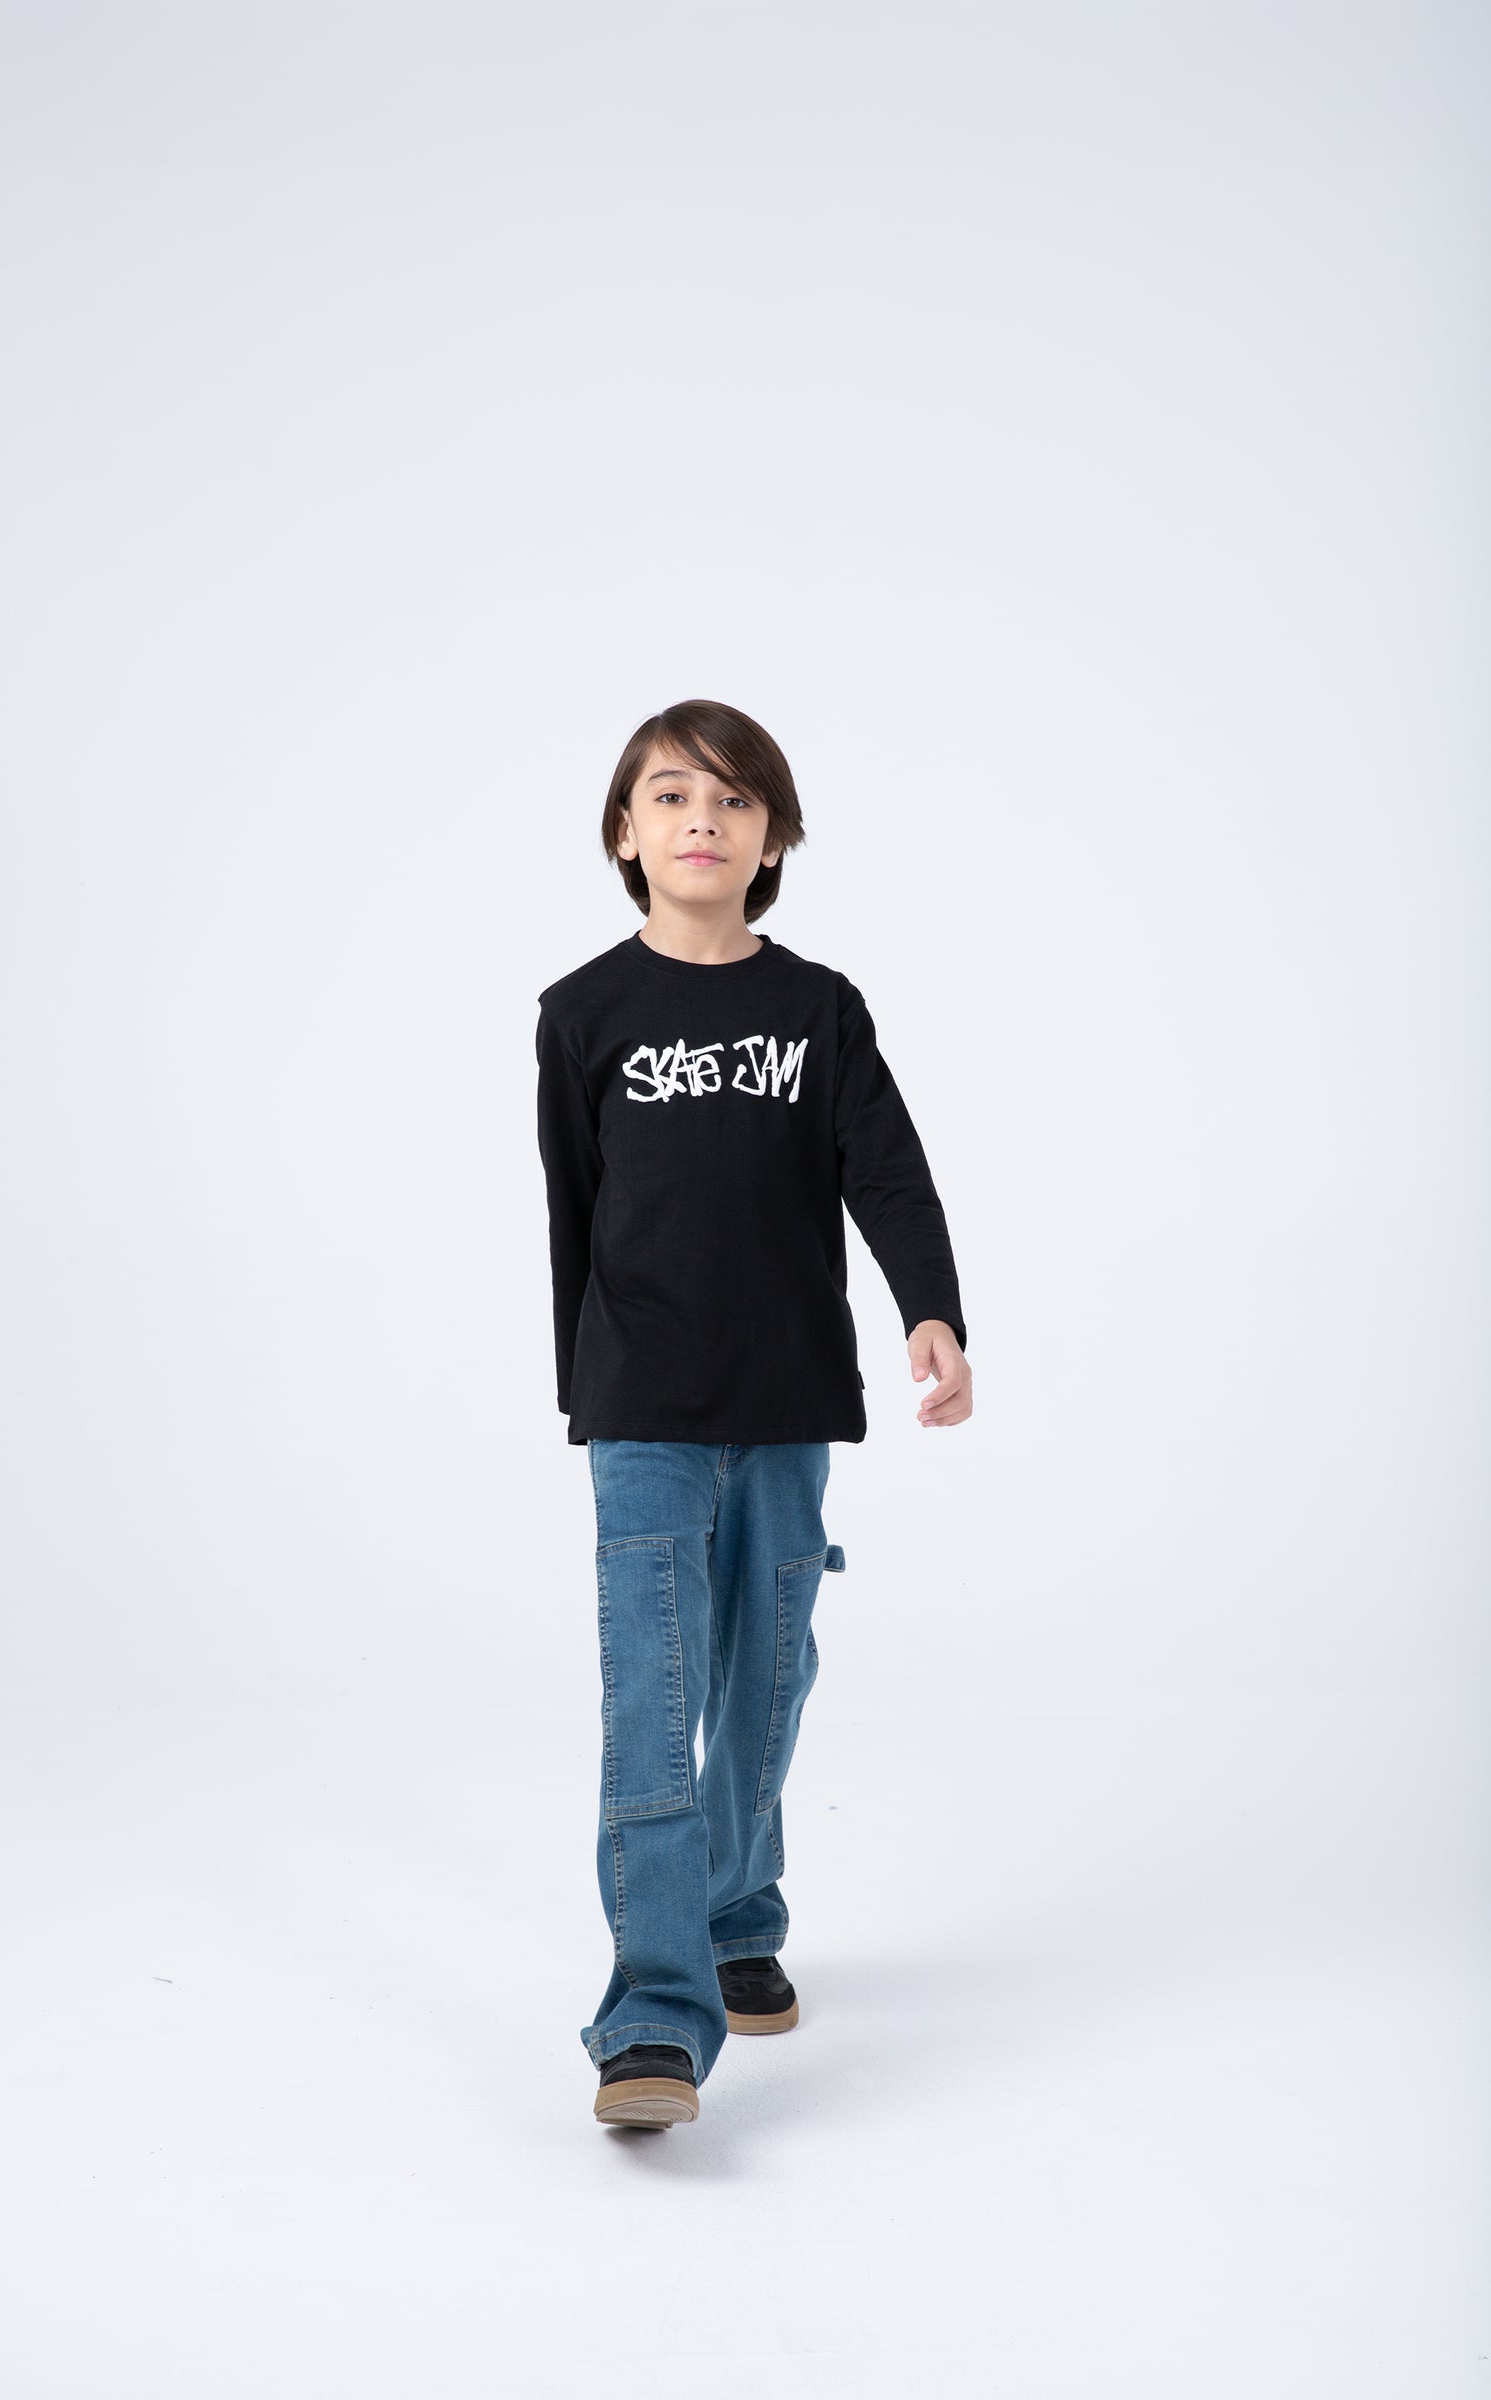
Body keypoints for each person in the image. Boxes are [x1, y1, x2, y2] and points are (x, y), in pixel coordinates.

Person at [534, 698, 973, 2131]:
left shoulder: (819, 1010)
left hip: (787, 1402)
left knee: (765, 1679)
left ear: (774, 837)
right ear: (625, 832)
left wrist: (932, 1309)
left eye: (733, 799)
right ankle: (654, 2018)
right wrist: (587, 1385)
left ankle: (737, 1913)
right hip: (644, 1410)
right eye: (671, 795)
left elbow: (886, 1169)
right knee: (653, 1699)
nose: (702, 820)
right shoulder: (582, 1014)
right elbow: (577, 1213)